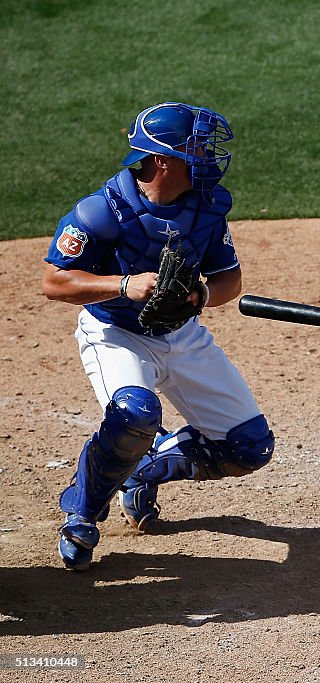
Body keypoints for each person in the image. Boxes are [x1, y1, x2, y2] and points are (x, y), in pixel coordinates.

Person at [42, 102, 275, 571]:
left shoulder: (205, 208)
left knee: (248, 449)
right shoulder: (100, 211)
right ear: (164, 160)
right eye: (199, 150)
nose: (209, 159)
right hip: (115, 333)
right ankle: (83, 513)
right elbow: (55, 282)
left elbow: (230, 281)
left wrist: (201, 294)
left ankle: (140, 472)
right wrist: (123, 285)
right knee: (134, 414)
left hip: (181, 335)